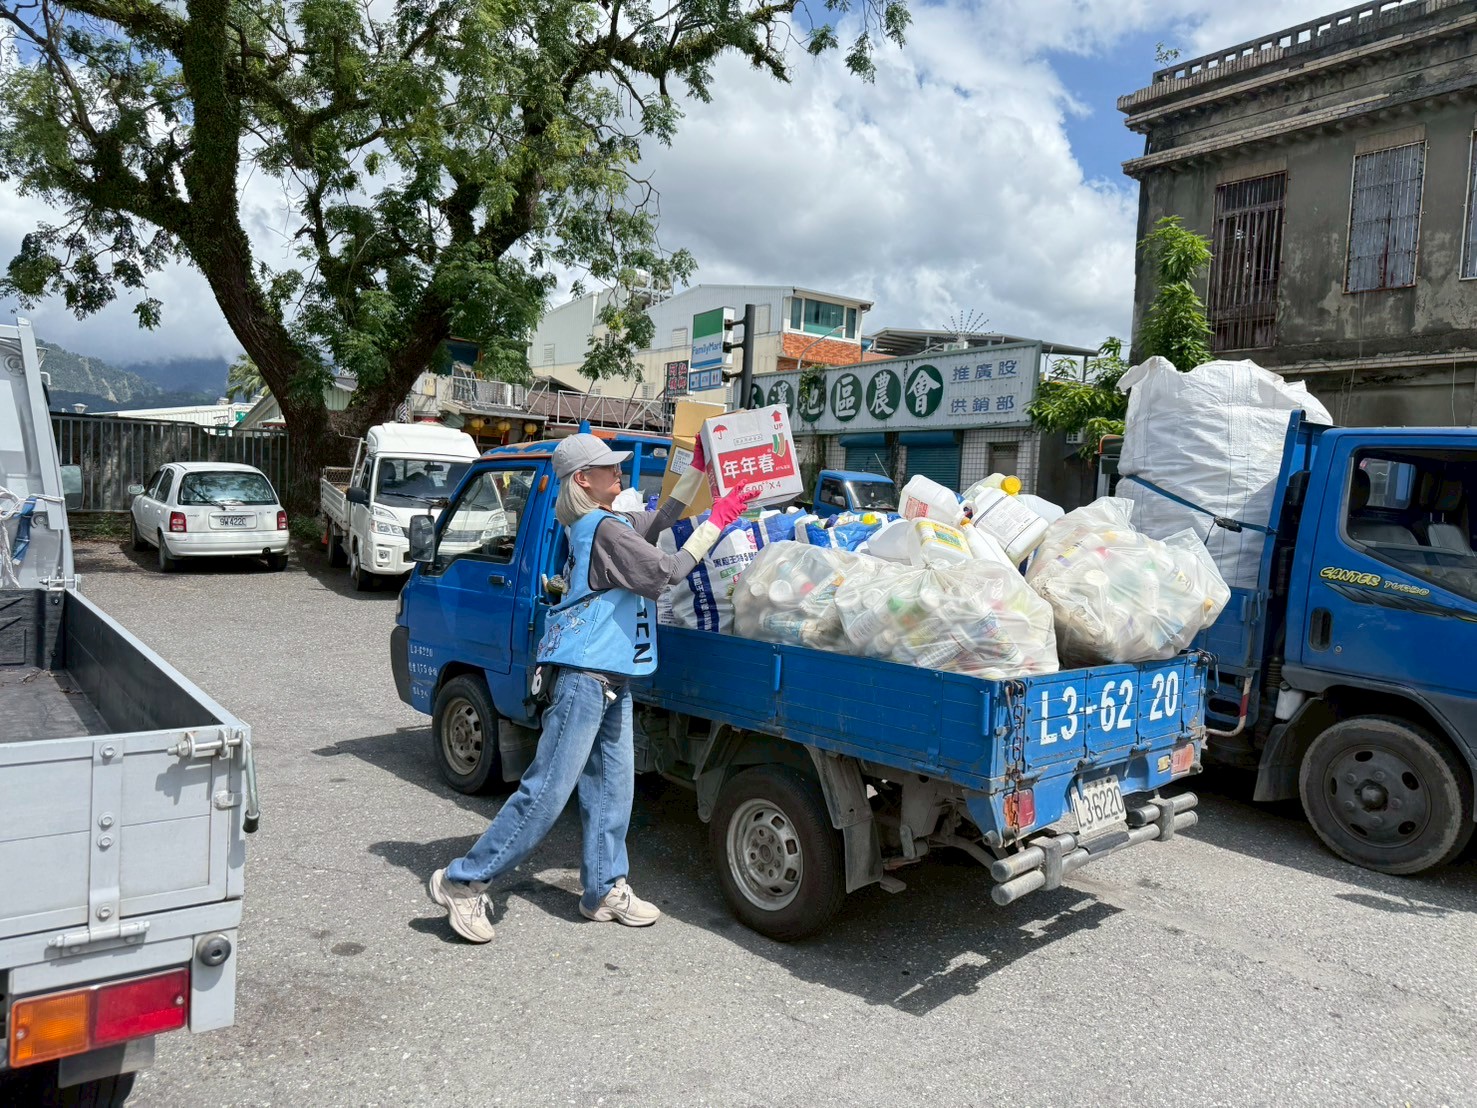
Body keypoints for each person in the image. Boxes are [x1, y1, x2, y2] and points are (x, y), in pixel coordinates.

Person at [428, 432, 756, 943]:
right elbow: (669, 571)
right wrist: (719, 519)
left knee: (612, 789)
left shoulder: (607, 523)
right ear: (585, 479)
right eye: (610, 469)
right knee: (545, 795)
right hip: (585, 678)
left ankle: (603, 887)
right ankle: (463, 881)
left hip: (611, 676)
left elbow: (660, 521)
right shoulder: (604, 530)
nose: (619, 473)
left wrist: (695, 472)